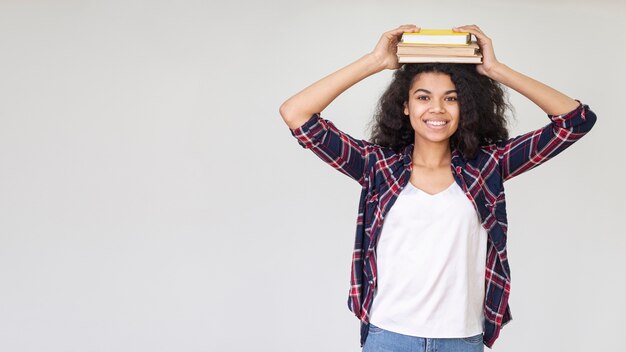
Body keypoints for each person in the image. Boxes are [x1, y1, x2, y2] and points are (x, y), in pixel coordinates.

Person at [279, 24, 596, 351]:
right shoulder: (378, 167)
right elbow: (295, 113)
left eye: (451, 98)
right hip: (389, 336)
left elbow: (574, 121)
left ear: (465, 107)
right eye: (423, 97)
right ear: (405, 106)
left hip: (460, 338)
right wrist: (375, 61)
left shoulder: (486, 166)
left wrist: (495, 69)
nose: (437, 109)